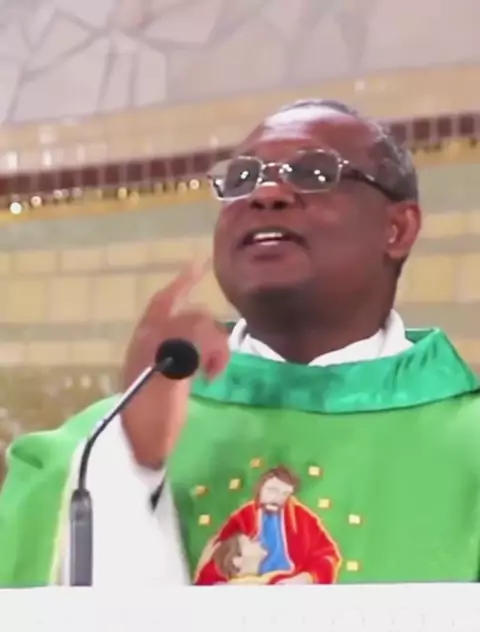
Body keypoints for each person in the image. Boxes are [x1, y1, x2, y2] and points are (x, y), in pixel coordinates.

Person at [1, 98, 480, 587]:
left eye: (314, 173)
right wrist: (130, 466)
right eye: (242, 178)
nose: (266, 193)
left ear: (397, 229)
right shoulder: (84, 455)